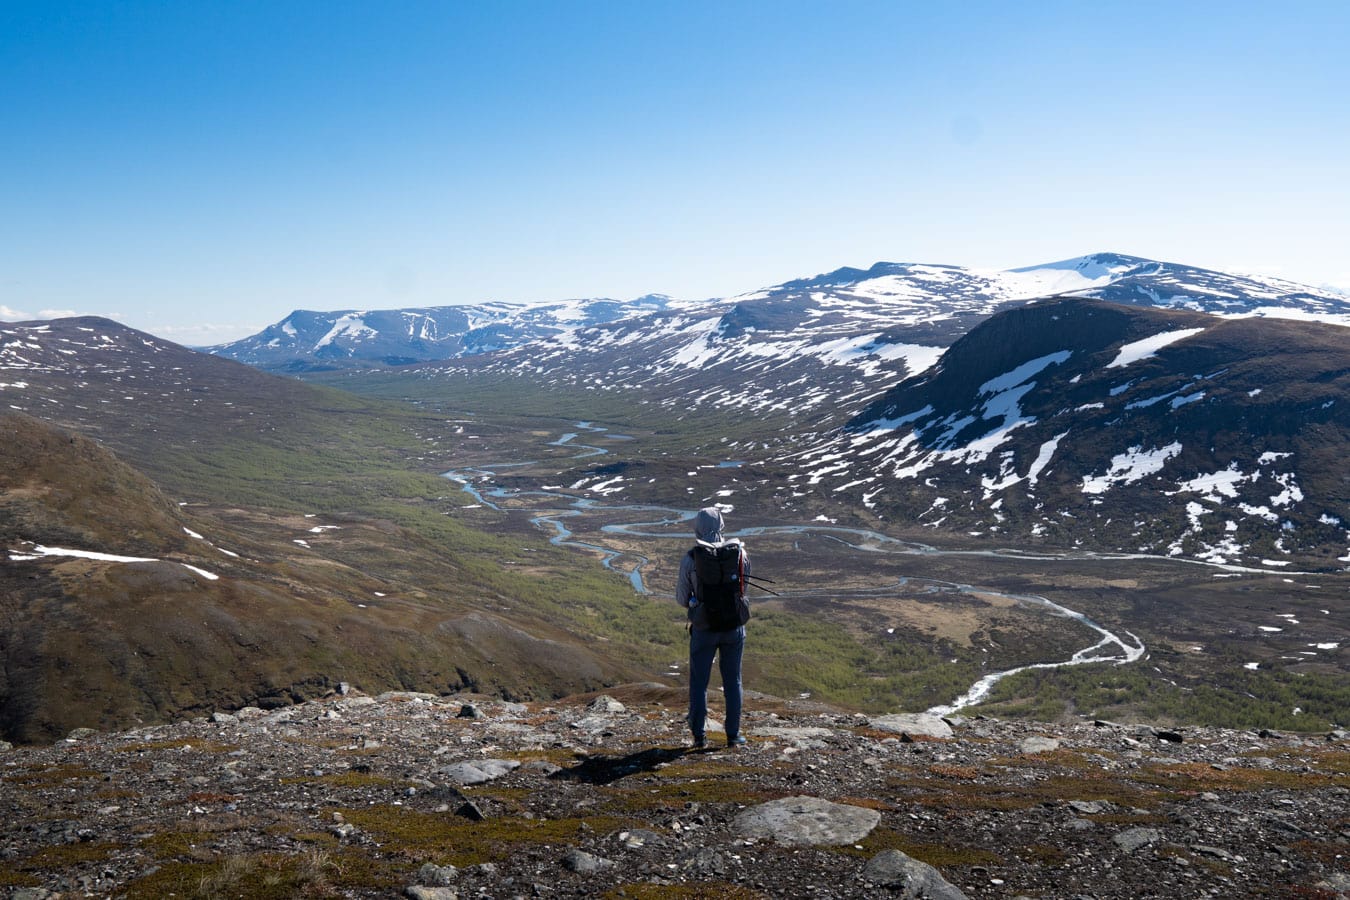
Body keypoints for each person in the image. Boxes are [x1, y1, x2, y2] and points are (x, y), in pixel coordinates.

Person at [676, 506, 750, 749]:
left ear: (697, 527)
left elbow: (681, 598)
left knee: (699, 681)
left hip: (703, 628)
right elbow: (743, 590)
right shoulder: (739, 554)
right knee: (733, 681)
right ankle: (733, 735)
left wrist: (695, 602)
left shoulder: (691, 558)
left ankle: (699, 736)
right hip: (733, 628)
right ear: (722, 525)